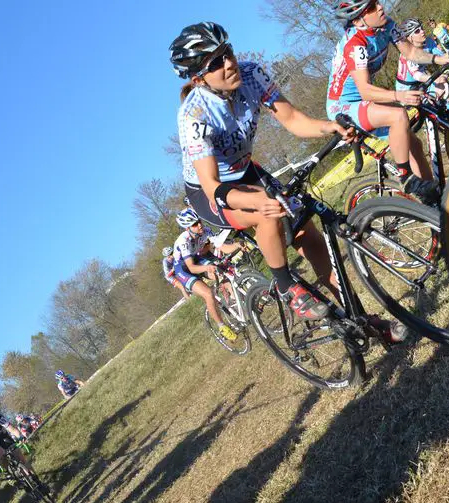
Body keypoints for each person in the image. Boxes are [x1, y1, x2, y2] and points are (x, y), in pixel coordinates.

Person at [170, 22, 405, 341]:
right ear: (199, 78)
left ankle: (361, 319)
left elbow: (293, 119)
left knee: (309, 235)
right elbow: (212, 185)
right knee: (267, 211)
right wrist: (255, 200)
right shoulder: (194, 114)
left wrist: (329, 127)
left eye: (228, 53)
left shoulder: (251, 75)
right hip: (210, 192)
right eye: (216, 62)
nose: (228, 63)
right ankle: (284, 285)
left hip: (246, 171)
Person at [326, 1, 449, 204]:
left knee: (412, 143)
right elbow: (365, 90)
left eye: (377, 2)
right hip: (343, 105)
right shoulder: (355, 44)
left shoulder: (387, 25)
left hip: (362, 99)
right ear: (357, 20)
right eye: (371, 7)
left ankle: (432, 199)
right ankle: (405, 177)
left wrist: (441, 60)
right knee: (398, 116)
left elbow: (411, 53)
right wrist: (399, 96)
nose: (380, 7)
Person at [172, 208, 240, 342]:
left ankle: (236, 301)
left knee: (222, 272)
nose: (199, 225)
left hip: (197, 259)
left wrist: (237, 245)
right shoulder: (183, 241)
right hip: (184, 269)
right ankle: (222, 327)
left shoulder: (205, 231)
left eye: (199, 221)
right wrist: (207, 267)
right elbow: (191, 267)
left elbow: (221, 247)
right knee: (208, 293)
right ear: (187, 228)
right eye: (195, 224)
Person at [0, 402, 44, 488]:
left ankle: (38, 482)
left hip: (4, 438)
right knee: (0, 451)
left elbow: (13, 430)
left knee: (21, 458)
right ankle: (7, 473)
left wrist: (20, 437)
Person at [396, 19, 449, 99]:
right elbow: (416, 74)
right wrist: (435, 79)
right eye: (417, 31)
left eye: (421, 28)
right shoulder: (407, 53)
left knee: (446, 89)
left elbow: (440, 56)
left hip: (421, 80)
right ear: (409, 38)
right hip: (406, 89)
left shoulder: (428, 41)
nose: (422, 31)